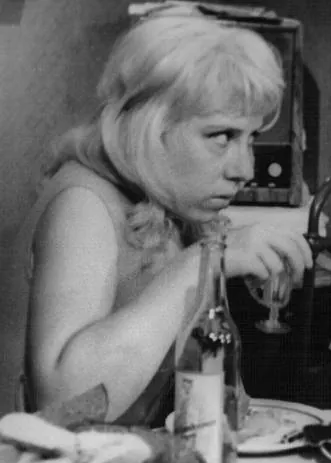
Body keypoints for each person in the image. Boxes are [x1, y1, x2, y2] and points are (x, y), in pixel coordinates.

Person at [10, 13, 313, 426]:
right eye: (222, 136)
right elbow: (63, 407)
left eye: (251, 138)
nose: (245, 169)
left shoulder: (169, 205)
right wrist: (203, 262)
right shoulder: (83, 204)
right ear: (150, 128)